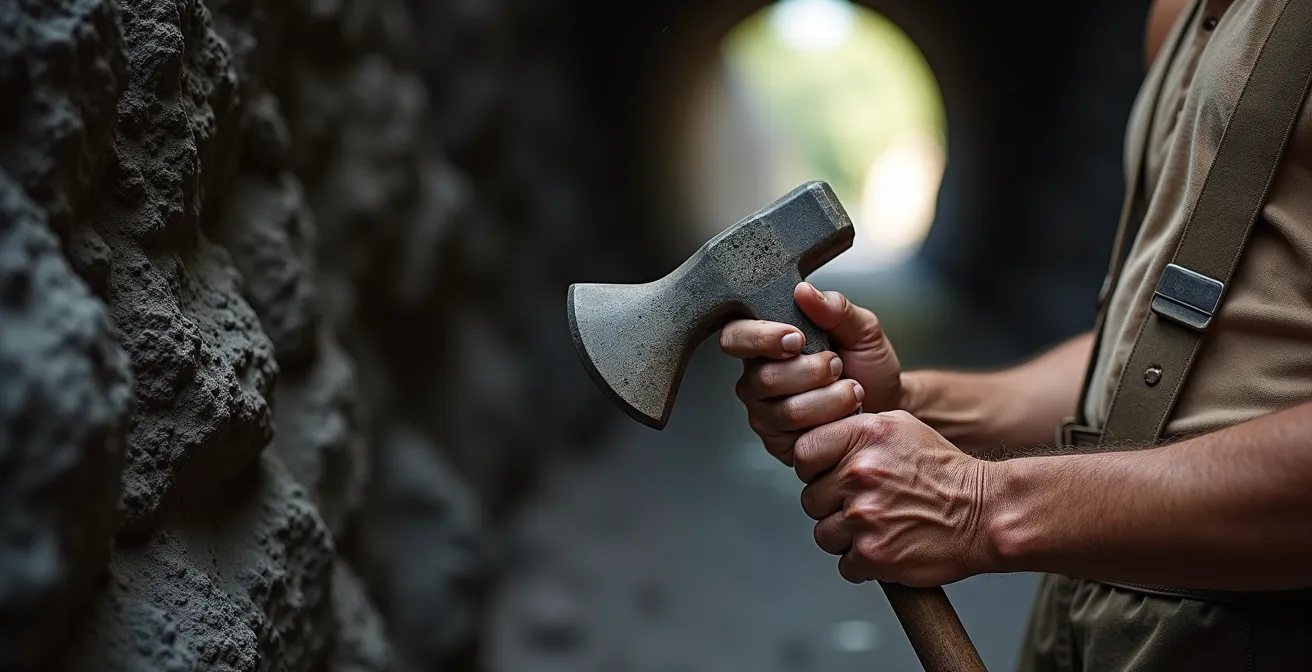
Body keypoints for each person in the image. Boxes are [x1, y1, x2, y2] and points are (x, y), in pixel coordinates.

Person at [718, 0, 1312, 668]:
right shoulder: (1180, 16)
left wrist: (979, 507)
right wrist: (902, 404)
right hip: (1094, 636)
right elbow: (1151, 365)